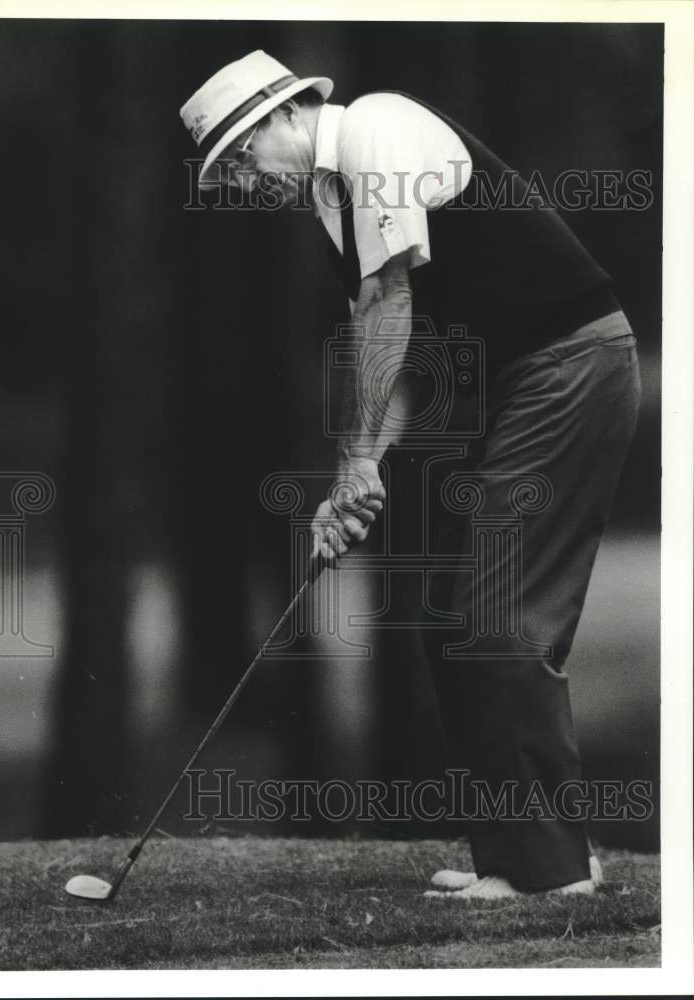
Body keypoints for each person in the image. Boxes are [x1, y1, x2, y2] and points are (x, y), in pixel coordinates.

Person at [180, 50, 641, 898]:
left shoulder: (378, 129)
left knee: (500, 610)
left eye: (241, 157)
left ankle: (554, 877)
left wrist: (358, 459)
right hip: (515, 380)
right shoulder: (333, 201)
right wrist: (352, 481)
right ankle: (516, 860)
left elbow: (390, 301)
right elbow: (411, 362)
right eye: (223, 174)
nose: (239, 184)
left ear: (287, 114)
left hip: (571, 361)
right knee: (452, 613)